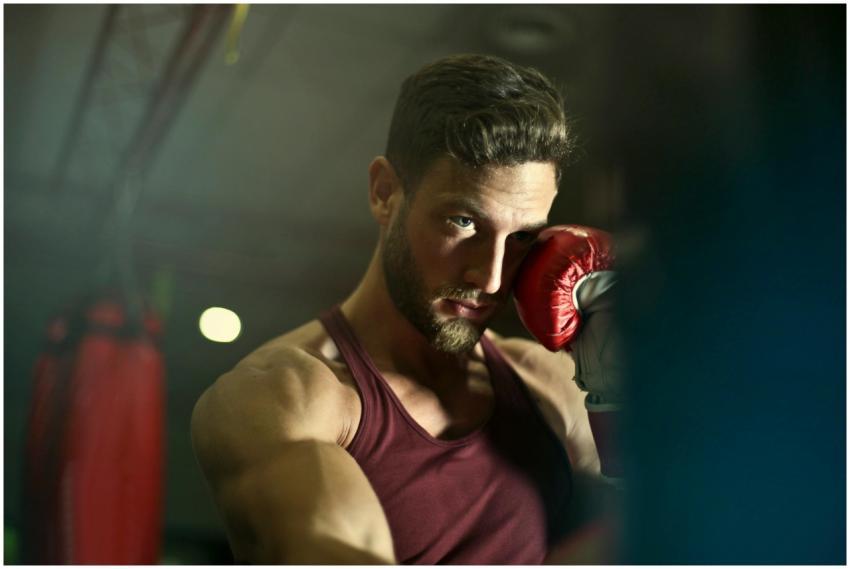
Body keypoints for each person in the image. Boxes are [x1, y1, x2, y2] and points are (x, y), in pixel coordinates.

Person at [190, 53, 621, 564]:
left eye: (524, 236)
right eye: (463, 222)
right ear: (384, 193)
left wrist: (625, 401)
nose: (488, 276)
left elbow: (682, 529)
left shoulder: (547, 385)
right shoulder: (286, 398)